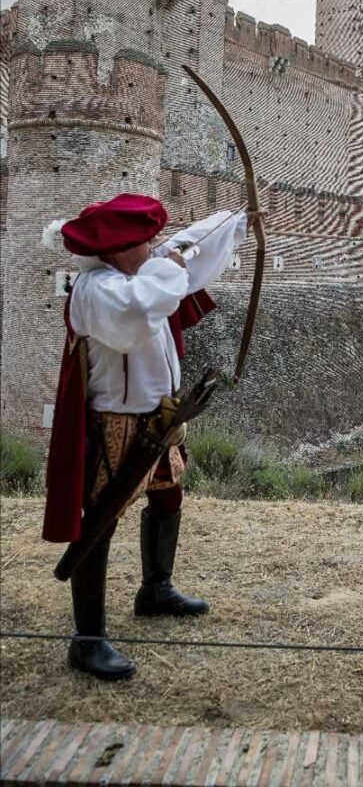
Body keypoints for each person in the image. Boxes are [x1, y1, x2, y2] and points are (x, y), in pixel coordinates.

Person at [42, 193, 260, 681]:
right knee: (99, 519)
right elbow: (141, 311)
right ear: (116, 250)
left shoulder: (138, 271)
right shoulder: (98, 290)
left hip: (159, 415)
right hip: (115, 421)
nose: (152, 247)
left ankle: (155, 590)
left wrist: (239, 217)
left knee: (166, 494)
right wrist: (173, 267)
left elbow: (188, 247)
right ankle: (89, 640)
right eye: (142, 242)